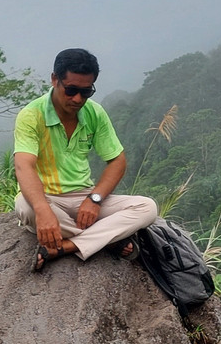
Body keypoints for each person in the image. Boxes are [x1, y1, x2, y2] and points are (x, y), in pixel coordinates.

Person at [14, 48, 157, 271]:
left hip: (85, 197)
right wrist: (43, 209)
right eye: (70, 90)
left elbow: (117, 161)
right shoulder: (32, 115)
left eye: (86, 92)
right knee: (25, 205)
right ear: (54, 79)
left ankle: (66, 246)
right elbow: (24, 165)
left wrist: (95, 198)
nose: (77, 98)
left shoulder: (94, 113)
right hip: (48, 197)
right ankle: (107, 241)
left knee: (147, 207)